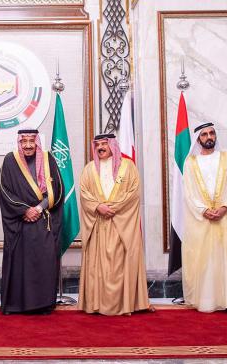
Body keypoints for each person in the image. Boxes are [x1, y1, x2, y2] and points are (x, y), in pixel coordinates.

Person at [78, 133, 151, 316]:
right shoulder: (89, 169)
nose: (101, 147)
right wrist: (98, 207)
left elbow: (134, 193)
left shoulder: (128, 167)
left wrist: (114, 208)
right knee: (99, 269)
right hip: (98, 226)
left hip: (121, 225)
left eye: (105, 143)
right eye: (98, 144)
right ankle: (98, 304)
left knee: (119, 265)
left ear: (113, 145)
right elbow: (84, 194)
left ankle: (124, 304)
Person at [0, 128, 63, 314]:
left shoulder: (48, 159)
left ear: (37, 142)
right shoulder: (10, 160)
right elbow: (5, 190)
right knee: (20, 264)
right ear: (19, 142)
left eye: (31, 141)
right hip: (21, 223)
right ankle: (16, 305)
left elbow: (57, 188)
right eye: (24, 141)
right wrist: (25, 210)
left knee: (43, 263)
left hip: (43, 220)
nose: (27, 145)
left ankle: (42, 304)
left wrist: (39, 208)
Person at [181, 123, 227, 312]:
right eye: (204, 134)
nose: (209, 137)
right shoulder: (190, 162)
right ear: (198, 139)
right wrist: (203, 210)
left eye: (211, 133)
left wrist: (225, 208)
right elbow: (189, 192)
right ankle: (207, 301)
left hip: (226, 217)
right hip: (203, 219)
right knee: (206, 258)